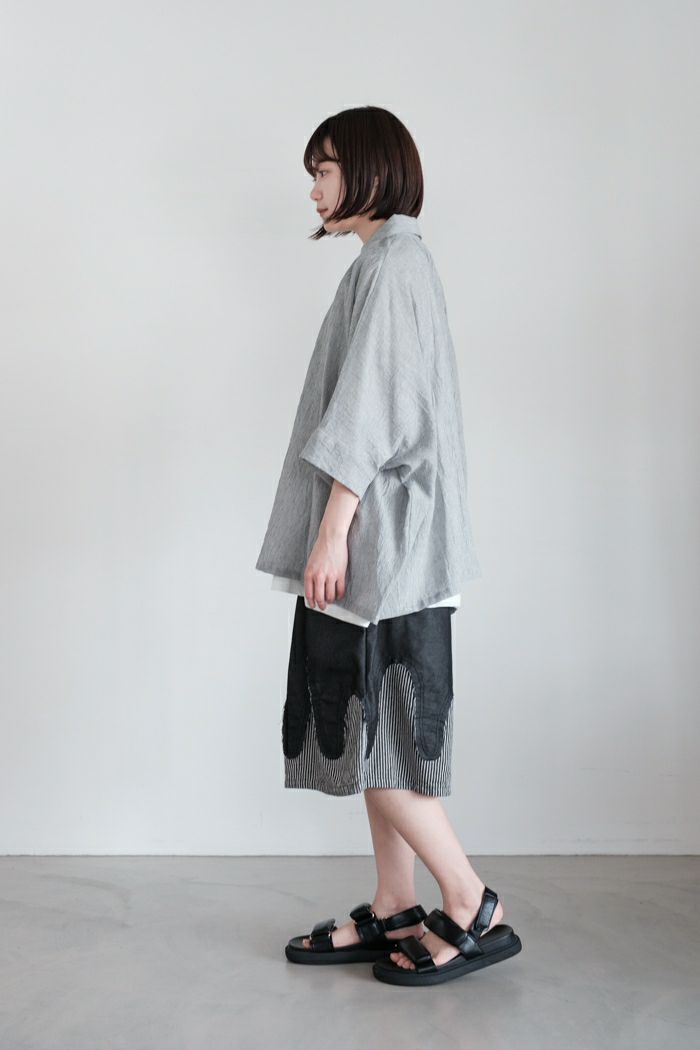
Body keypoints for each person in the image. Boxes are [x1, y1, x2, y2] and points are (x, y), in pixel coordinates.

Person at [255, 106, 522, 986]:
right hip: (388, 547)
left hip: (390, 552)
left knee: (391, 735)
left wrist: (332, 531)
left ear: (369, 170)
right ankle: (396, 902)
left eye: (325, 168)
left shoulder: (397, 265)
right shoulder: (384, 262)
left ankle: (471, 902)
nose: (314, 187)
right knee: (375, 734)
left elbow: (374, 412)